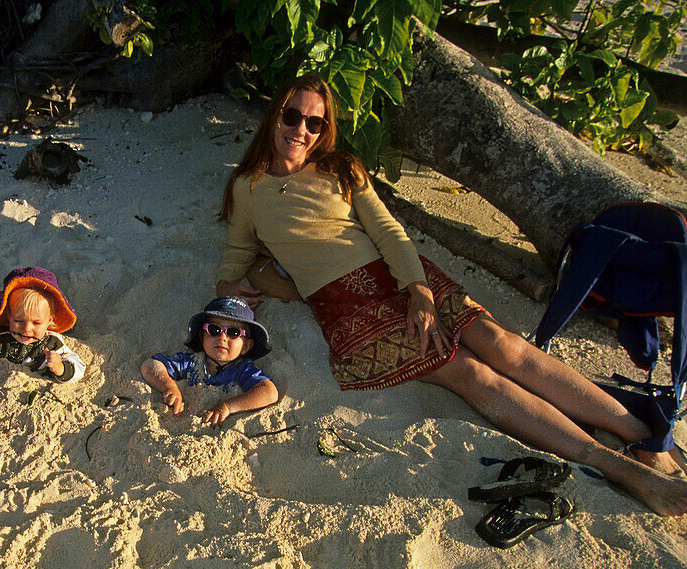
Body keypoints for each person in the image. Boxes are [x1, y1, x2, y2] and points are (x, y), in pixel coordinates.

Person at [215, 74, 687, 516]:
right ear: (274, 115)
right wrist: (229, 285)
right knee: (471, 375)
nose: (301, 129)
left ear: (324, 130)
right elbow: (236, 254)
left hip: (401, 274)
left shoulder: (341, 169)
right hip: (351, 308)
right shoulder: (247, 187)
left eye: (314, 122)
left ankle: (642, 436)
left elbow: (388, 232)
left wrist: (418, 291)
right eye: (291, 116)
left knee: (505, 346)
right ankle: (616, 466)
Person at [142, 296, 279, 427]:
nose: (222, 337)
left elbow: (269, 392)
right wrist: (169, 387)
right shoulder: (191, 362)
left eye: (233, 332)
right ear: (202, 337)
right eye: (214, 329)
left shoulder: (243, 369)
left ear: (246, 346)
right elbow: (150, 365)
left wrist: (227, 407)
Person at [0, 266, 87, 383]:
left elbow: (78, 368)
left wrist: (60, 368)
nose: (26, 329)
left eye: (36, 323)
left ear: (49, 320)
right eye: (18, 321)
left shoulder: (52, 343)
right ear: (9, 316)